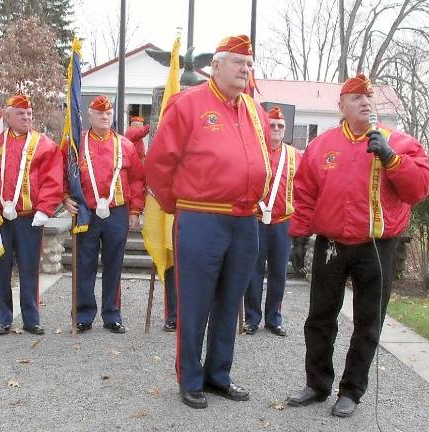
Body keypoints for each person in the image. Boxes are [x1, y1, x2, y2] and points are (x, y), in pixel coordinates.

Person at [287, 74, 429, 417]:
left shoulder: (399, 142)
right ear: (342, 106)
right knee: (320, 316)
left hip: (376, 248)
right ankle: (317, 384)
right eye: (356, 97)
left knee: (368, 321)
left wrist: (392, 159)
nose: (365, 102)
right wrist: (298, 234)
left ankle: (351, 391)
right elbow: (305, 193)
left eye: (369, 97)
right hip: (331, 244)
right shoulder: (322, 146)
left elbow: (418, 189)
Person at [145, 35, 272, 409]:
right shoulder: (188, 104)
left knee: (230, 300)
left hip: (245, 220)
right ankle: (190, 377)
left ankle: (219, 374)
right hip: (202, 218)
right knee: (196, 303)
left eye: (248, 64)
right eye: (237, 63)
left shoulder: (253, 109)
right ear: (215, 67)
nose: (244, 70)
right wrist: (179, 205)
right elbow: (158, 163)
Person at [63, 95, 145, 334]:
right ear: (89, 116)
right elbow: (62, 172)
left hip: (117, 211)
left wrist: (135, 210)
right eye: (100, 114)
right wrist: (65, 197)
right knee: (84, 264)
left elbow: (138, 179)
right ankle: (83, 315)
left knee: (114, 264)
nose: (104, 117)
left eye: (108, 114)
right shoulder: (77, 144)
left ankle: (112, 315)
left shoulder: (125, 145)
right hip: (86, 212)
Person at [0, 95, 63, 335]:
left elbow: (52, 180)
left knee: (30, 267)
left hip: (29, 217)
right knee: (1, 268)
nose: (26, 118)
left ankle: (31, 317)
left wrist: (45, 209)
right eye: (21, 114)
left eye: (29, 114)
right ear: (7, 116)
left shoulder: (44, 144)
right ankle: (4, 317)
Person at [243, 106, 302, 337]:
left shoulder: (296, 155)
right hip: (255, 220)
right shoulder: (255, 151)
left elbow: (304, 187)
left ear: (285, 129)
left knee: (279, 272)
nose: (276, 129)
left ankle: (273, 319)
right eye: (272, 125)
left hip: (283, 222)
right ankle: (252, 318)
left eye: (280, 126)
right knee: (253, 272)